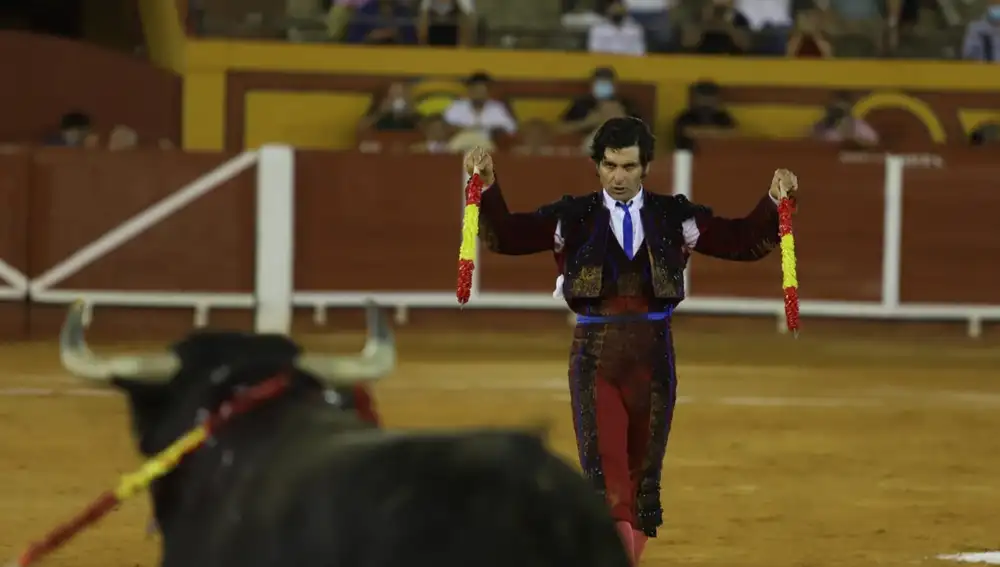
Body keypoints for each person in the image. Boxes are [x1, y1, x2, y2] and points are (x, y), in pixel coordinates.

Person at [467, 117, 798, 565]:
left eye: (627, 167)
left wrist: (774, 201)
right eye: (609, 166)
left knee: (643, 483)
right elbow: (506, 236)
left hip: (654, 359)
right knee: (608, 479)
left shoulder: (674, 216)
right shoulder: (572, 216)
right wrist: (486, 187)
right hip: (595, 358)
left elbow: (741, 241)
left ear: (645, 167)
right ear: (597, 166)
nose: (618, 177)